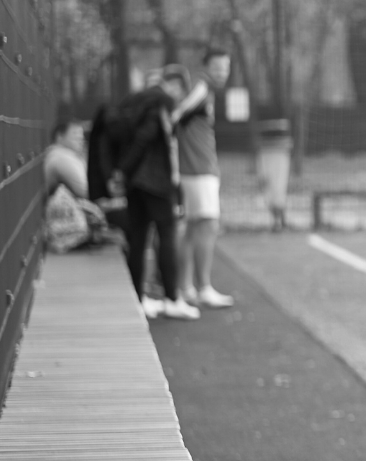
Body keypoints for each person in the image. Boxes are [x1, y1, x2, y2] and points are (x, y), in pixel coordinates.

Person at [112, 66, 198, 319]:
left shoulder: (135, 103)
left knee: (138, 238)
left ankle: (139, 298)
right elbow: (145, 138)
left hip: (136, 184)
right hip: (155, 183)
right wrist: (124, 169)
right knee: (167, 235)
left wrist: (123, 172)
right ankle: (172, 298)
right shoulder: (159, 104)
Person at [172, 47, 235, 308]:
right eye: (218, 68)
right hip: (199, 170)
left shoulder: (203, 90)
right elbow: (176, 114)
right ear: (207, 67)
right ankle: (203, 287)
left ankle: (185, 287)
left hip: (193, 169)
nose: (222, 73)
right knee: (207, 225)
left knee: (192, 228)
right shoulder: (201, 88)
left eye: (226, 68)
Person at [43, 118, 109, 253]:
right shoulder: (61, 157)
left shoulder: (63, 154)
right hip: (65, 223)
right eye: (75, 135)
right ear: (59, 137)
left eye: (82, 135)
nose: (81, 139)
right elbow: (87, 192)